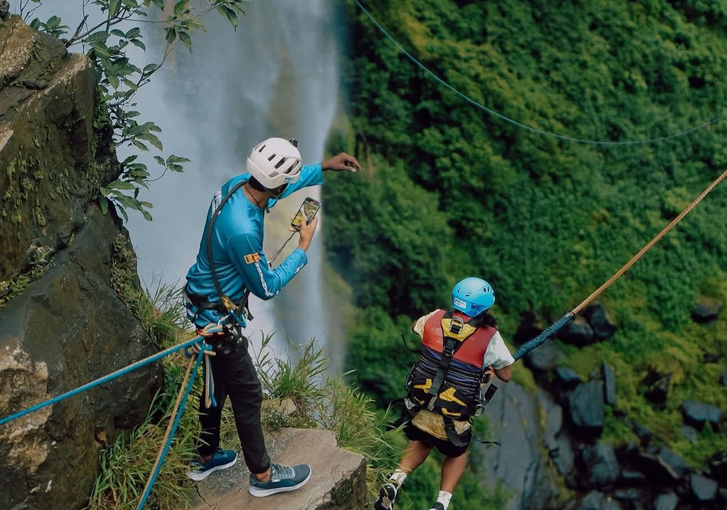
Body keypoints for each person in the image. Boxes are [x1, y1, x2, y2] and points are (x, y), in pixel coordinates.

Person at [182, 137, 360, 497]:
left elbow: (278, 185)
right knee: (248, 393)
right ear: (276, 182)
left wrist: (323, 167)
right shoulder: (244, 230)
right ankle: (263, 477)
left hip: (202, 300)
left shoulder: (236, 185)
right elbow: (266, 286)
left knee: (215, 384)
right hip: (218, 317)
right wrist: (303, 247)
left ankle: (205, 455)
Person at [375, 277, 514, 510]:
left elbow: (415, 327)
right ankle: (441, 503)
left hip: (420, 406)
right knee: (458, 452)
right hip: (452, 416)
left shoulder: (434, 317)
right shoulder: (490, 336)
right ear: (484, 307)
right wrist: (486, 366)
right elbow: (506, 374)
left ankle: (394, 482)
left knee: (422, 438)